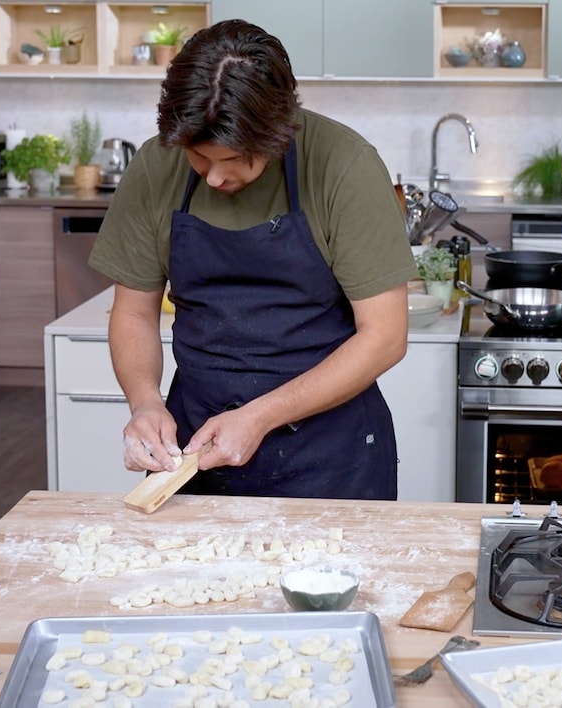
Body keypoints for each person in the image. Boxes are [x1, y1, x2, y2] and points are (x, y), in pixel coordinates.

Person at [88, 19, 416, 500]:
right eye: (200, 159)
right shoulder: (157, 167)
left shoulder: (344, 165)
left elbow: (385, 336)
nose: (215, 179)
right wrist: (145, 403)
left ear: (277, 132)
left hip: (333, 458)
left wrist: (258, 416)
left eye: (234, 159)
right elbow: (135, 311)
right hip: (196, 447)